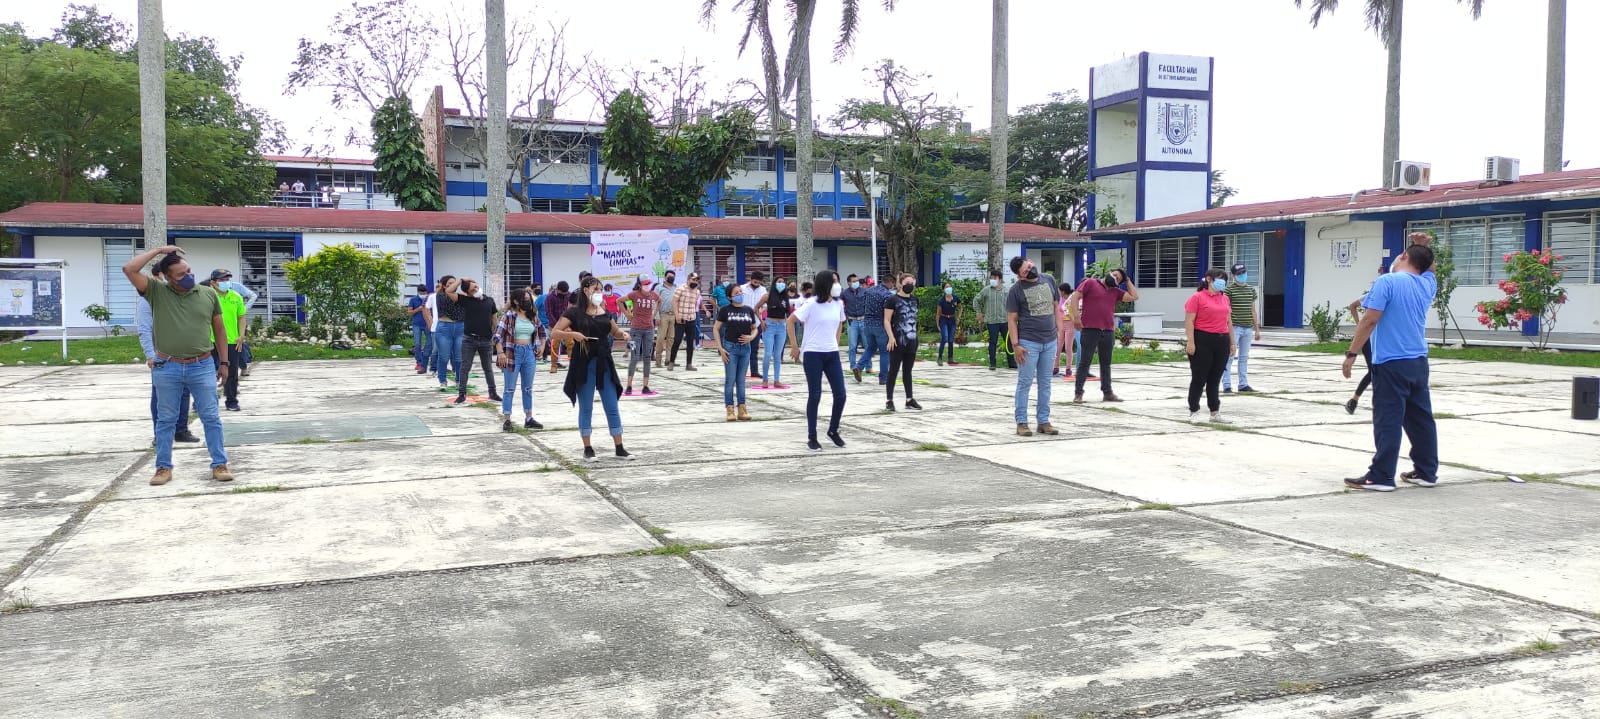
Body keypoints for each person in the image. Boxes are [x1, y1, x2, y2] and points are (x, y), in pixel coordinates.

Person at [121, 245, 232, 485]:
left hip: (202, 365)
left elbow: (219, 330)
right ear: (168, 278)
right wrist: (159, 250)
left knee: (211, 416)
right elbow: (129, 268)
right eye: (181, 274)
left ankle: (219, 464)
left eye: (189, 270)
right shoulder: (156, 293)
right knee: (166, 420)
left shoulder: (208, 294)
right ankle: (163, 467)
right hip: (167, 366)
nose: (188, 276)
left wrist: (224, 361)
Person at [1342, 239, 1440, 492]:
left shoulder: (1387, 281)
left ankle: (1382, 476)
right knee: (1421, 418)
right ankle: (1426, 471)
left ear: (1404, 255)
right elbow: (1430, 267)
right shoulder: (1428, 284)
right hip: (1418, 359)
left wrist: (1352, 353)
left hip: (1390, 360)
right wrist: (1423, 246)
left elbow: (1370, 319)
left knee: (1388, 418)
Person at [550, 276, 634, 461]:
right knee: (586, 407)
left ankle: (619, 447)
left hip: (604, 361)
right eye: (596, 289)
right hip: (583, 363)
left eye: (600, 289)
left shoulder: (604, 311)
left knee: (611, 405)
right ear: (585, 290)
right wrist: (572, 334)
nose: (599, 293)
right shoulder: (574, 313)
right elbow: (554, 332)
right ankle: (588, 448)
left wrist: (623, 334)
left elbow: (615, 331)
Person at [789, 270, 848, 450]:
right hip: (813, 353)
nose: (837, 285)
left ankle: (833, 430)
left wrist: (835, 342)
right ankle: (812, 436)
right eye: (834, 282)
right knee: (815, 394)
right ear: (825, 284)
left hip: (831, 353)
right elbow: (790, 321)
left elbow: (840, 323)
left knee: (841, 394)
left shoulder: (838, 304)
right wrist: (794, 346)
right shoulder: (811, 304)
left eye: (838, 281)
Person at [1007, 256, 1062, 436]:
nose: (1030, 270)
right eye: (1025, 270)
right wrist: (1016, 345)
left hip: (1050, 341)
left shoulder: (1049, 280)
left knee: (1046, 383)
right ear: (1020, 276)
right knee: (1025, 383)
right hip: (1028, 342)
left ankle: (1044, 421)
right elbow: (1012, 320)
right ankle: (1021, 422)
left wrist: (1059, 332)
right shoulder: (1016, 290)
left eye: (1029, 266)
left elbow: (1056, 307)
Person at [1067, 268, 1139, 403]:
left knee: (1106, 364)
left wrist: (1127, 280)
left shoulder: (1116, 292)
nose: (1116, 279)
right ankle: (1078, 393)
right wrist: (1076, 317)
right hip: (1090, 329)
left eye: (1119, 280)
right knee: (1085, 363)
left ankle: (1107, 393)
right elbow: (1076, 296)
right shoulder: (1090, 283)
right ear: (1110, 272)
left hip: (1107, 330)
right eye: (1116, 275)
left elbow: (1134, 296)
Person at [135, 293, 198, 445]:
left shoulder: (178, 296)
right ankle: (160, 434)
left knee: (184, 393)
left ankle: (181, 430)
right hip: (162, 356)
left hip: (184, 354)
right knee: (160, 395)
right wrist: (150, 355)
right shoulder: (148, 300)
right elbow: (144, 329)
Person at [1185, 269, 1237, 424]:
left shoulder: (1225, 299)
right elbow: (1189, 321)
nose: (1222, 283)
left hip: (1221, 340)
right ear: (1209, 279)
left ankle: (1214, 412)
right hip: (1202, 339)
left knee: (1215, 379)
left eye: (1224, 280)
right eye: (1219, 279)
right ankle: (1194, 410)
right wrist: (1191, 341)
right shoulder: (1197, 297)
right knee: (1199, 378)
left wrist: (1232, 342)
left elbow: (1229, 322)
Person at [493, 288, 545, 432]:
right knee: (509, 388)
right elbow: (497, 336)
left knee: (527, 388)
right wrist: (500, 352)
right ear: (516, 301)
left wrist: (542, 346)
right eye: (525, 299)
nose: (528, 301)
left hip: (529, 353)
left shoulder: (532, 316)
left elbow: (542, 332)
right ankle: (507, 419)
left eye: (529, 299)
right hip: (512, 353)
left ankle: (528, 418)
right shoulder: (508, 316)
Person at [1343, 264, 1387, 415]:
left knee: (1378, 371)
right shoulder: (1372, 295)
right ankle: (1355, 400)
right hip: (1368, 338)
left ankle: (1355, 400)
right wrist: (1359, 324)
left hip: (1379, 338)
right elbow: (1352, 306)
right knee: (1374, 371)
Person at [714, 284, 760, 421]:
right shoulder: (725, 310)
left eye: (740, 291)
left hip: (745, 349)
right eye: (736, 292)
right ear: (729, 297)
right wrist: (720, 348)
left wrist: (751, 337)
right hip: (730, 348)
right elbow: (716, 329)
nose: (740, 294)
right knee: (730, 380)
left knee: (741, 380)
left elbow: (754, 328)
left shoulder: (748, 310)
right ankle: (729, 409)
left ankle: (742, 408)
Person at [452, 278, 501, 405]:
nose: (476, 289)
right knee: (465, 367)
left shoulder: (489, 300)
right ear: (468, 293)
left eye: (476, 286)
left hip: (486, 339)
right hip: (469, 339)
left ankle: (493, 392)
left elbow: (494, 319)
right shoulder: (466, 300)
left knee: (488, 368)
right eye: (472, 288)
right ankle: (462, 394)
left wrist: (497, 335)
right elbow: (449, 291)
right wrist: (460, 280)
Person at [205, 270, 249, 412]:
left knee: (231, 372)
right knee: (207, 373)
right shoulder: (207, 296)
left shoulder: (236, 297)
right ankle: (205, 402)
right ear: (213, 282)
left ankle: (231, 400)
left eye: (227, 279)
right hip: (209, 341)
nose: (225, 282)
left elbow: (241, 317)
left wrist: (241, 335)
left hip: (231, 341)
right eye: (222, 280)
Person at [883, 272, 923, 411]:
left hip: (911, 339)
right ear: (900, 284)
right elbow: (887, 320)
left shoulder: (915, 300)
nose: (910, 286)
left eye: (912, 283)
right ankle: (889, 400)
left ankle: (909, 399)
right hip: (897, 340)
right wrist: (891, 337)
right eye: (907, 283)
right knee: (893, 370)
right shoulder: (892, 300)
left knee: (908, 371)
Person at [1221, 263, 1262, 394]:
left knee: (1244, 357)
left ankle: (1243, 384)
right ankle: (1227, 385)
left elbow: (1253, 310)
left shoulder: (1251, 289)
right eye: (1239, 274)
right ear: (1233, 276)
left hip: (1248, 328)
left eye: (1243, 273)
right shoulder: (1229, 290)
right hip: (1235, 328)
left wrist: (1257, 329)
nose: (1242, 276)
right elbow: (1226, 311)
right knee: (1230, 356)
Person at [623, 276, 661, 395]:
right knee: (634, 356)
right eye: (645, 284)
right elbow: (619, 300)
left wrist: (654, 313)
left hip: (649, 330)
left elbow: (659, 301)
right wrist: (627, 314)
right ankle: (629, 385)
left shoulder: (654, 295)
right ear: (639, 285)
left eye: (649, 284)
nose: (647, 286)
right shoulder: (634, 294)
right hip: (635, 330)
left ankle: (645, 385)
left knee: (647, 357)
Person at [852, 276, 892, 384]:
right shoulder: (887, 295)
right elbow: (888, 311)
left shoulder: (869, 291)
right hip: (880, 325)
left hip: (867, 323)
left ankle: (859, 367)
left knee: (871, 348)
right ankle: (883, 378)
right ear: (890, 283)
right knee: (885, 351)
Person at [974, 270, 1014, 371]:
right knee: (993, 342)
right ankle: (992, 363)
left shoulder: (1007, 291)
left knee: (1008, 341)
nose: (992, 280)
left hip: (1005, 320)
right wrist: (978, 312)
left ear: (1000, 280)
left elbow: (1013, 305)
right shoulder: (986, 290)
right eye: (991, 278)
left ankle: (1012, 363)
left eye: (994, 278)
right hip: (992, 321)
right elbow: (976, 300)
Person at [434, 275, 465, 390]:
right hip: (444, 328)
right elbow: (448, 293)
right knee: (444, 356)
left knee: (459, 357)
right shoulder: (440, 295)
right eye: (450, 283)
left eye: (454, 283)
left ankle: (459, 380)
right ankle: (442, 380)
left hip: (460, 327)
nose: (453, 285)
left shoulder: (461, 296)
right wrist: (460, 281)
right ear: (443, 285)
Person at [760, 277, 792, 388]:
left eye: (783, 282)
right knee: (768, 354)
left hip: (782, 326)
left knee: (778, 355)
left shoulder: (785, 297)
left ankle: (776, 380)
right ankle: (765, 379)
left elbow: (788, 313)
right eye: (779, 282)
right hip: (770, 325)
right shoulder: (767, 296)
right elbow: (756, 308)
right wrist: (761, 322)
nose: (781, 284)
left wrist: (788, 324)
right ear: (774, 283)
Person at [668, 274, 702, 371]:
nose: (695, 282)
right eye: (693, 279)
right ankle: (671, 362)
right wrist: (677, 315)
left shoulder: (697, 292)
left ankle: (689, 364)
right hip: (681, 318)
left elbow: (695, 304)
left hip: (692, 319)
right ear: (688, 279)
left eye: (696, 280)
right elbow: (674, 302)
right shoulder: (680, 288)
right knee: (677, 340)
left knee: (691, 342)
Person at [841, 273, 871, 374]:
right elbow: (840, 305)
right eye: (854, 281)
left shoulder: (864, 291)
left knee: (867, 345)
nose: (856, 283)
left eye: (857, 281)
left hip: (864, 320)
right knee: (852, 346)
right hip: (852, 321)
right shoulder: (844, 293)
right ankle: (853, 366)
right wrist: (845, 315)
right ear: (849, 283)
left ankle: (868, 367)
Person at [741, 272, 768, 379]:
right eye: (755, 282)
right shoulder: (742, 288)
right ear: (751, 279)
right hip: (743, 322)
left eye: (759, 282)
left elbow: (765, 305)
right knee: (742, 348)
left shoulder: (763, 290)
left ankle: (754, 371)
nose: (756, 284)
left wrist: (760, 310)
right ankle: (741, 371)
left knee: (754, 349)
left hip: (756, 323)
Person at [544, 280, 571, 373]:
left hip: (567, 323)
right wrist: (557, 325)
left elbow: (571, 309)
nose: (565, 294)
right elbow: (549, 312)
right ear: (558, 290)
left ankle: (573, 365)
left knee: (570, 344)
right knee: (555, 345)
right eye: (563, 293)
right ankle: (554, 365)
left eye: (566, 292)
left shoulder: (569, 295)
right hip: (554, 324)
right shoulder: (550, 297)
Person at [1054, 282, 1078, 378]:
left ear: (1063, 291)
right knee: (1058, 346)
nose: (1058, 292)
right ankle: (1055, 367)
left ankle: (1068, 368)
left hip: (1070, 324)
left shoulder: (1072, 298)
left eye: (1059, 290)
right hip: (1061, 324)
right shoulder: (1060, 299)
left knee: (1068, 347)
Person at [655, 270, 678, 367]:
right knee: (660, 338)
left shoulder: (676, 288)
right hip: (663, 315)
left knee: (671, 339)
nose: (671, 278)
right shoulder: (659, 288)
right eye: (669, 276)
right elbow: (655, 302)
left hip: (674, 315)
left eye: (673, 276)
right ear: (665, 277)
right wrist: (657, 316)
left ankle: (669, 360)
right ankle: (658, 360)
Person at [935, 281, 960, 365]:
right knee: (945, 338)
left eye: (949, 286)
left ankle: (950, 358)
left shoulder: (955, 298)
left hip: (952, 320)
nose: (948, 288)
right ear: (943, 290)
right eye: (946, 287)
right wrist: (938, 324)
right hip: (944, 319)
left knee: (950, 339)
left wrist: (958, 318)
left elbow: (961, 308)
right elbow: (938, 313)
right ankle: (940, 358)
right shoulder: (941, 301)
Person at [408, 283, 431, 374]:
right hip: (416, 324)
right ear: (418, 292)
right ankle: (419, 362)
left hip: (427, 323)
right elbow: (409, 312)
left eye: (424, 293)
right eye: (422, 293)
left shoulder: (429, 298)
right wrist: (419, 309)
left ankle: (425, 361)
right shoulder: (413, 299)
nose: (423, 294)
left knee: (429, 343)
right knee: (417, 344)